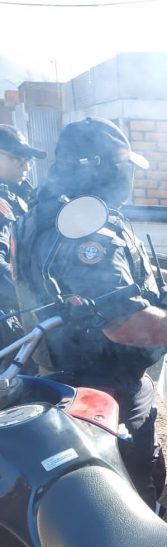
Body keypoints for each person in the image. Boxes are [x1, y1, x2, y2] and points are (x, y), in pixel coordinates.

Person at [14, 117, 167, 512]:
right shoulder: (85, 231)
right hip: (104, 389)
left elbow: (115, 280)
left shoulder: (48, 213)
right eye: (125, 166)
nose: (130, 176)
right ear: (98, 167)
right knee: (130, 500)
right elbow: (125, 323)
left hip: (65, 379)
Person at [0, 125, 46, 367]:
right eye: (18, 157)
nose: (26, 164)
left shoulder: (18, 194)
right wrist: (41, 300)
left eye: (28, 158)